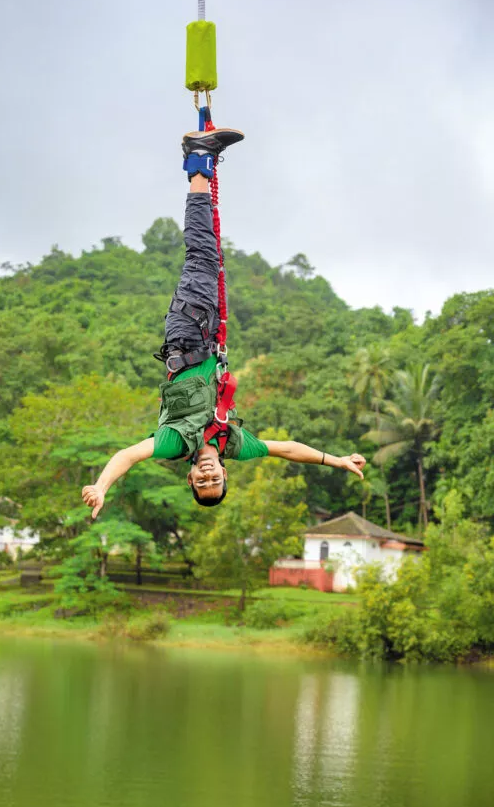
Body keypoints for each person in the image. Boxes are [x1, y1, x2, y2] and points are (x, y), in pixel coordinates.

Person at [82, 128, 366, 518]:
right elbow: (286, 449)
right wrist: (336, 460)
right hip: (208, 334)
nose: (208, 476)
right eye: (216, 481)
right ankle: (200, 163)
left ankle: (198, 160)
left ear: (190, 478)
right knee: (209, 256)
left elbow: (128, 455)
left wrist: (101, 486)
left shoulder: (174, 442)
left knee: (201, 255)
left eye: (202, 482)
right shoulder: (232, 441)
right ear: (225, 473)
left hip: (186, 336)